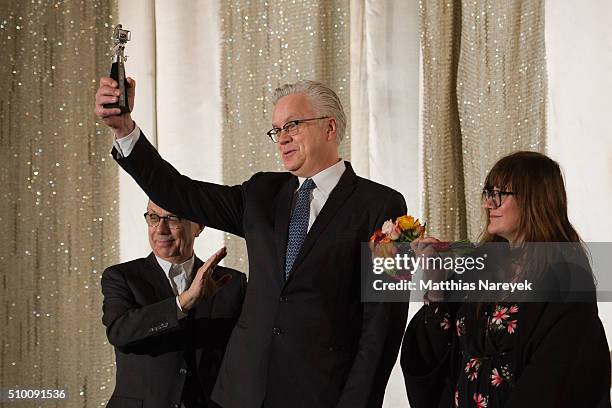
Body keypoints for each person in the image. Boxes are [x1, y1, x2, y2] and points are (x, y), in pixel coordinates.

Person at [94, 77, 408, 407]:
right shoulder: (262, 193)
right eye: (276, 130)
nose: (282, 138)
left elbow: (382, 325)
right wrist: (124, 130)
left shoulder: (383, 206)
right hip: (240, 392)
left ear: (330, 128)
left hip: (319, 393)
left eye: (293, 125)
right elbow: (180, 193)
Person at [401, 151, 611, 407]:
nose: (488, 204)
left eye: (500, 194)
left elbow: (556, 377)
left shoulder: (567, 277)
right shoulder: (478, 266)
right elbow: (440, 352)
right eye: (488, 194)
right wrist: (436, 286)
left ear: (535, 200)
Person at [101, 200, 246, 408]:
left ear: (199, 226)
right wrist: (183, 303)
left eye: (172, 218)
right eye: (153, 218)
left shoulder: (231, 283)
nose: (160, 229)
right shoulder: (121, 277)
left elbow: (251, 353)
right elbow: (119, 332)